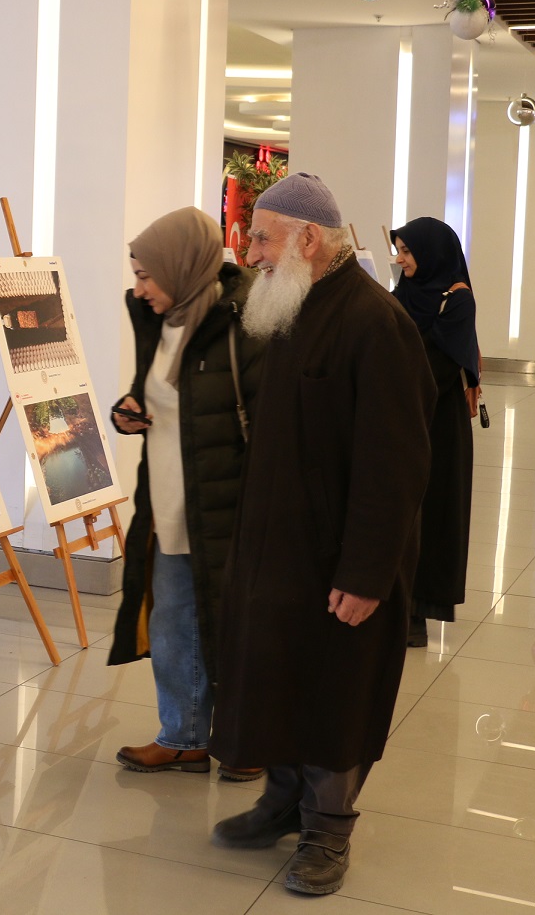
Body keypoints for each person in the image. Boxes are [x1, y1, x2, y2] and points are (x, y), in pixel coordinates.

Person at [209, 173, 435, 897]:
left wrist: (366, 574)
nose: (251, 252)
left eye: (263, 237)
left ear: (310, 239)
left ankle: (326, 831)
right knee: (272, 674)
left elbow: (394, 467)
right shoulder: (291, 306)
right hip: (277, 549)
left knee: (337, 690)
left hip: (344, 557)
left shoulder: (376, 324)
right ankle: (281, 802)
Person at [107, 207, 266, 781]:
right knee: (174, 622)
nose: (138, 287)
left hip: (227, 506)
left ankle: (248, 742)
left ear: (180, 265)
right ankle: (183, 736)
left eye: (146, 274)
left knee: (237, 628)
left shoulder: (243, 320)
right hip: (169, 502)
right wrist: (129, 411)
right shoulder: (161, 321)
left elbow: (266, 421)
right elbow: (154, 394)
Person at [391, 217, 481, 646]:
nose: (400, 259)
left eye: (407, 252)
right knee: (398, 508)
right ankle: (394, 603)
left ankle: (417, 612)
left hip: (438, 424)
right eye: (400, 250)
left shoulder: (458, 301)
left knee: (433, 512)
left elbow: (441, 366)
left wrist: (391, 376)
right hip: (400, 415)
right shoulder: (403, 293)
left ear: (430, 253)